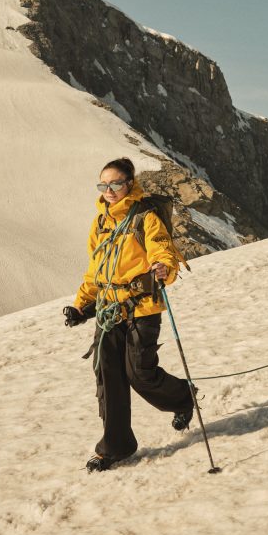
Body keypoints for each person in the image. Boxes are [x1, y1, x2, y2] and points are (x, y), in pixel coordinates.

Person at [62, 157, 195, 472]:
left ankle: (183, 397)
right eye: (103, 185)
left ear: (130, 184)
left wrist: (163, 266)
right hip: (110, 308)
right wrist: (82, 304)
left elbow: (161, 247)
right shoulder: (101, 223)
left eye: (115, 184)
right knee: (109, 379)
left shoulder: (145, 217)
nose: (108, 190)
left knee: (140, 374)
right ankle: (115, 447)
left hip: (142, 307)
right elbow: (97, 270)